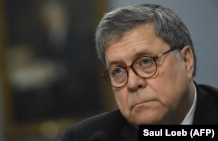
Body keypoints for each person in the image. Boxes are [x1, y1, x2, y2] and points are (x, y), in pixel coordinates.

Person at [60, 3, 218, 141]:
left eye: (145, 62)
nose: (133, 83)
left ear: (186, 61)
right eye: (118, 71)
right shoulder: (85, 137)